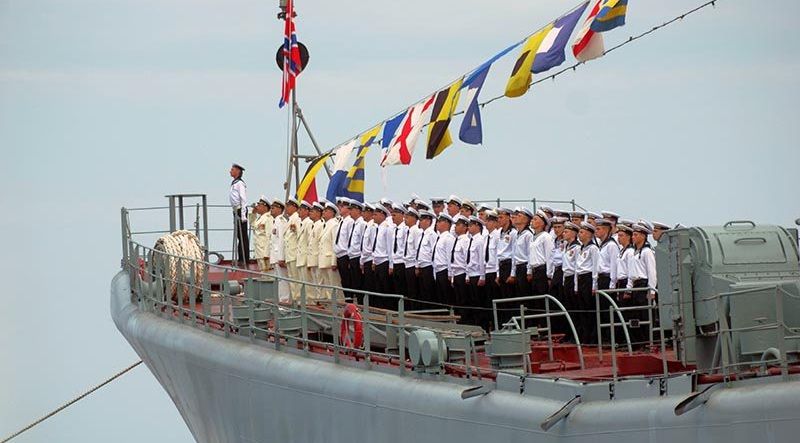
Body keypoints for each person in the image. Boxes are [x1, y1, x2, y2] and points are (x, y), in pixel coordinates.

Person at [628, 223, 658, 348]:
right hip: (636, 285)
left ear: (643, 236)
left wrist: (652, 290)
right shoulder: (635, 252)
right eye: (633, 235)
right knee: (637, 315)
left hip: (644, 284)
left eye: (635, 235)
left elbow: (652, 272)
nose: (633, 237)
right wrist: (629, 288)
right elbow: (631, 271)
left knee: (646, 315)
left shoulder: (647, 252)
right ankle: (641, 341)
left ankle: (649, 341)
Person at [575, 222, 600, 344]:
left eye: (582, 232)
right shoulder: (580, 248)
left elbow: (595, 267)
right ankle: (585, 336)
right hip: (580, 278)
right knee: (582, 309)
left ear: (589, 234)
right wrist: (576, 285)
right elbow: (577, 267)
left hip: (588, 278)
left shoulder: (593, 248)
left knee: (589, 308)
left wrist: (594, 285)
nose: (579, 234)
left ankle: (592, 337)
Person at [560, 221, 581, 343]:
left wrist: (576, 285)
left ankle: (576, 334)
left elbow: (577, 266)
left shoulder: (577, 247)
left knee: (574, 308)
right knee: (567, 307)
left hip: (573, 278)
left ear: (573, 233)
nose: (564, 233)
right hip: (567, 278)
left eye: (566, 231)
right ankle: (569, 332)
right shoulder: (566, 246)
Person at [507, 207, 534, 301]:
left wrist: (529, 271)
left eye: (519, 216)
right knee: (519, 295)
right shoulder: (516, 234)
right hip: (518, 267)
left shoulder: (528, 235)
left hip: (524, 267)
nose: (516, 218)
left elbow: (530, 254)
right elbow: (514, 254)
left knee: (525, 295)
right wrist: (513, 273)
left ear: (526, 220)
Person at [371, 205, 394, 308]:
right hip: (377, 261)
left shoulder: (387, 228)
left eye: (375, 215)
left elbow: (390, 248)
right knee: (378, 287)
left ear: (382, 215)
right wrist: (373, 261)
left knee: (385, 288)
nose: (373, 217)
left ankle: (387, 308)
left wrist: (391, 265)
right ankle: (380, 307)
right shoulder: (377, 228)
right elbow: (375, 246)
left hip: (384, 261)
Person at [466, 216, 486, 327]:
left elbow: (481, 259)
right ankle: (475, 323)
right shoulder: (472, 240)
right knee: (473, 301)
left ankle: (481, 325)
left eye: (471, 225)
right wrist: (468, 275)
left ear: (477, 226)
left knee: (479, 301)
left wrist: (482, 276)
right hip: (472, 274)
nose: (468, 227)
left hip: (478, 274)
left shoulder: (480, 240)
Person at [268, 199, 290, 302]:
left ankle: (284, 300)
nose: (271, 209)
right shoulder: (275, 221)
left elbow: (281, 240)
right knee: (278, 280)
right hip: (275, 256)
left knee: (283, 280)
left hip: (279, 256)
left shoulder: (281, 221)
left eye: (273, 208)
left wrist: (281, 257)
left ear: (280, 209)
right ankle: (281, 300)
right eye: (271, 208)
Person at [415, 210, 438, 307]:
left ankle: (430, 311)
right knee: (422, 291)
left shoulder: (432, 234)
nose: (420, 222)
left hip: (428, 266)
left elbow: (434, 252)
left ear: (428, 221)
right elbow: (419, 251)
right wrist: (417, 266)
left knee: (429, 291)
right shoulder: (422, 234)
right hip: (421, 266)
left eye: (422, 220)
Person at [318, 202, 341, 300]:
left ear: (332, 213)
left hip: (330, 260)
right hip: (324, 260)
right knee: (328, 287)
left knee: (334, 286)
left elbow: (334, 244)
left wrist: (334, 262)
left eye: (326, 211)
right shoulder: (326, 225)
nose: (323, 212)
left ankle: (338, 305)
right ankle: (330, 304)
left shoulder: (334, 225)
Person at [548, 216, 567, 335]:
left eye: (559, 227)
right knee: (554, 301)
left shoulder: (567, 241)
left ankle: (563, 329)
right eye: (555, 227)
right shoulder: (554, 240)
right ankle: (556, 329)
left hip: (563, 270)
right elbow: (552, 258)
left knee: (562, 300)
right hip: (556, 270)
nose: (556, 229)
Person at [450, 216, 471, 319]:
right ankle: (460, 319)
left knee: (464, 300)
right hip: (456, 273)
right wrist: (452, 277)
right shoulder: (457, 240)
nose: (455, 227)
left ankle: (465, 320)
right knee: (458, 300)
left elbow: (467, 259)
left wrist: (467, 275)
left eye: (458, 225)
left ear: (465, 227)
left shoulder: (465, 240)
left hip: (462, 273)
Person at [229, 163, 250, 267]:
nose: (230, 171)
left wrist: (243, 215)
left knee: (243, 236)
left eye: (232, 169)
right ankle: (241, 258)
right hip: (236, 210)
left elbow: (243, 199)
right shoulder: (235, 183)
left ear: (238, 171)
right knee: (239, 235)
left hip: (240, 210)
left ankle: (244, 259)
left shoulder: (240, 184)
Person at [483, 210, 501, 330]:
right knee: (488, 300)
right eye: (487, 221)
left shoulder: (497, 236)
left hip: (494, 271)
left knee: (496, 300)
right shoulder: (486, 237)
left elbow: (498, 256)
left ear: (495, 222)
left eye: (490, 221)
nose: (487, 223)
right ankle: (490, 326)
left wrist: (498, 274)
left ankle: (497, 325)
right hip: (487, 271)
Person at [432, 213, 455, 305]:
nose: (437, 223)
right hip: (438, 270)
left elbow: (450, 257)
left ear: (446, 223)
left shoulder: (449, 238)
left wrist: (450, 273)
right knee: (440, 297)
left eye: (439, 221)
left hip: (445, 271)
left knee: (447, 297)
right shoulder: (440, 237)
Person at [347, 201, 367, 302]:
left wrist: (362, 260)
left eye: (352, 210)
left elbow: (363, 243)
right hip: (352, 256)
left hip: (358, 256)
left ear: (358, 211)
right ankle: (358, 303)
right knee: (354, 283)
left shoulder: (362, 224)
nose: (350, 212)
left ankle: (361, 303)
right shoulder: (353, 224)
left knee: (359, 283)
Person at [495, 207, 517, 301]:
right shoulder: (499, 233)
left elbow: (514, 253)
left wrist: (512, 274)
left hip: (509, 264)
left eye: (501, 217)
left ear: (508, 218)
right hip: (501, 265)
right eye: (498, 217)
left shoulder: (513, 232)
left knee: (510, 295)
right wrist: (498, 274)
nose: (499, 220)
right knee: (503, 295)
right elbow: (497, 254)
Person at [333, 197, 354, 294]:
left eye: (342, 206)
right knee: (343, 281)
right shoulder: (341, 221)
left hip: (345, 254)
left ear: (348, 208)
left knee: (348, 281)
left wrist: (349, 257)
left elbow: (350, 240)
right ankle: (347, 300)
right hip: (339, 255)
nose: (339, 208)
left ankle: (349, 300)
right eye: (339, 206)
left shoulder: (350, 221)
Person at [402, 208, 422, 308]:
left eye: (407, 217)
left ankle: (415, 308)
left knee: (413, 290)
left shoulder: (416, 231)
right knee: (408, 289)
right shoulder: (408, 231)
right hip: (407, 263)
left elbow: (417, 249)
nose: (405, 219)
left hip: (412, 264)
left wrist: (417, 266)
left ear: (414, 218)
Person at [283, 198, 302, 300]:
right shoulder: (290, 219)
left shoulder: (297, 219)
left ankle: (298, 300)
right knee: (292, 279)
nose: (286, 208)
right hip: (289, 254)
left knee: (296, 279)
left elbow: (299, 237)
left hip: (294, 254)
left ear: (294, 207)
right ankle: (295, 299)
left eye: (288, 206)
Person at [295, 201, 314, 298]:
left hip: (305, 258)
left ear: (307, 211)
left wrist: (309, 260)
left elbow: (310, 242)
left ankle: (310, 302)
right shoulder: (301, 223)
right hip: (300, 257)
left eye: (301, 209)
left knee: (308, 284)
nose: (298, 211)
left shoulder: (309, 223)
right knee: (302, 283)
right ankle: (303, 301)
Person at [306, 202, 325, 299]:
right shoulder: (313, 225)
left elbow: (320, 243)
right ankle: (317, 299)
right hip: (312, 258)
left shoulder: (321, 225)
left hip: (317, 257)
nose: (310, 213)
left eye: (312, 211)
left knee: (320, 281)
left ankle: (320, 300)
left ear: (318, 213)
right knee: (315, 281)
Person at [249, 196, 272, 273]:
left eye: (259, 205)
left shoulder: (268, 218)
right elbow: (252, 224)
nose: (257, 207)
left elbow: (269, 236)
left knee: (268, 274)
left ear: (265, 207)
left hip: (264, 252)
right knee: (263, 273)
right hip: (259, 251)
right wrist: (253, 213)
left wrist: (267, 253)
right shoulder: (259, 218)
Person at [390, 204, 408, 296]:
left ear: (402, 215)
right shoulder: (394, 229)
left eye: (394, 215)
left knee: (403, 289)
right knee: (396, 288)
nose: (392, 217)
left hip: (402, 262)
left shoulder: (405, 229)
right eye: (392, 215)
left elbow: (406, 247)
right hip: (395, 262)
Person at [359, 204, 378, 295]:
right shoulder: (367, 225)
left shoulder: (373, 226)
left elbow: (374, 246)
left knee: (370, 286)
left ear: (370, 213)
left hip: (370, 259)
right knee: (367, 286)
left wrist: (373, 261)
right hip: (366, 259)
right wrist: (362, 260)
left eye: (364, 212)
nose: (362, 214)